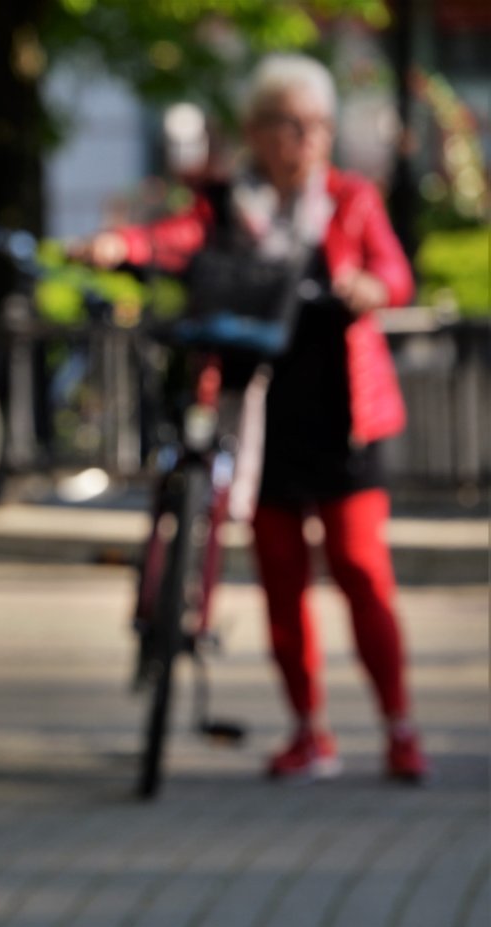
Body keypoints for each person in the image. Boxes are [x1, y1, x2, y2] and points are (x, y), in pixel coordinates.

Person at [81, 53, 425, 783]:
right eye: (292, 124)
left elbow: (396, 274)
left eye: (319, 125)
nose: (308, 138)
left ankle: (400, 728)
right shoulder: (229, 204)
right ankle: (310, 732)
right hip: (259, 414)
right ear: (258, 132)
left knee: (363, 570)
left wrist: (370, 285)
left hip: (343, 414)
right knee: (281, 579)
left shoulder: (352, 200)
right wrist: (122, 245)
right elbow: (172, 239)